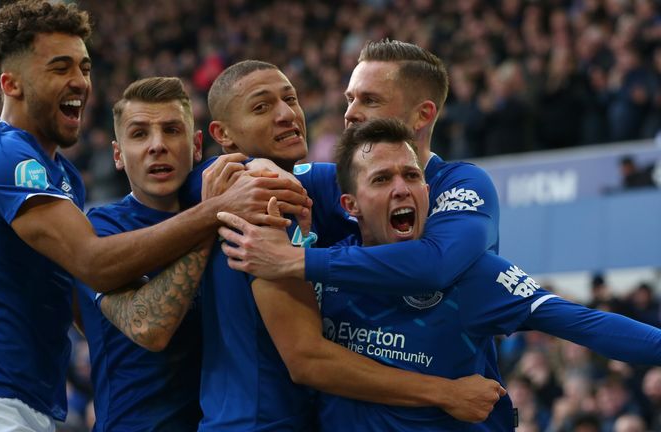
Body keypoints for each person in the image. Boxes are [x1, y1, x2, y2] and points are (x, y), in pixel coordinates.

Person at [0, 2, 307, 430]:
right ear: (12, 84)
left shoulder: (61, 175)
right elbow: (94, 264)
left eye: (84, 68)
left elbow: (85, 300)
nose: (80, 82)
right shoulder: (3, 155)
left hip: (23, 403)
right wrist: (214, 212)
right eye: (59, 68)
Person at [218, 118, 661, 430]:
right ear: (349, 206)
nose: (401, 188)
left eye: (411, 175)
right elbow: (305, 362)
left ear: (428, 191)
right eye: (381, 179)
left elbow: (588, 324)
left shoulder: (475, 276)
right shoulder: (325, 265)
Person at [193, 60, 504, 431]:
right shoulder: (262, 199)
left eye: (290, 99)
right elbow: (308, 359)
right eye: (262, 107)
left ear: (422, 114)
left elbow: (433, 265)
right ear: (221, 133)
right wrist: (446, 393)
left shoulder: (460, 182)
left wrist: (298, 257)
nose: (351, 114)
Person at [74, 77, 212, 431]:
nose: (157, 146)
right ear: (118, 155)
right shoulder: (99, 231)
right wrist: (211, 218)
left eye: (171, 130)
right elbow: (148, 327)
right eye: (139, 134)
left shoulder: (227, 215)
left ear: (197, 146)